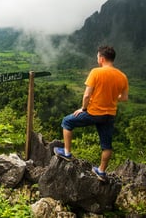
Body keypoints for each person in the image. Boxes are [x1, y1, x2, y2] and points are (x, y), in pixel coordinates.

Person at [54, 45, 129, 182]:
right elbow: (124, 98)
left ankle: (67, 153)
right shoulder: (122, 76)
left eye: (97, 57)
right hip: (109, 115)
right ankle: (101, 171)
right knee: (106, 145)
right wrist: (111, 96)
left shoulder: (96, 72)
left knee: (67, 121)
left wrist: (83, 109)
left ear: (101, 58)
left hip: (93, 112)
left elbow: (87, 95)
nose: (97, 59)